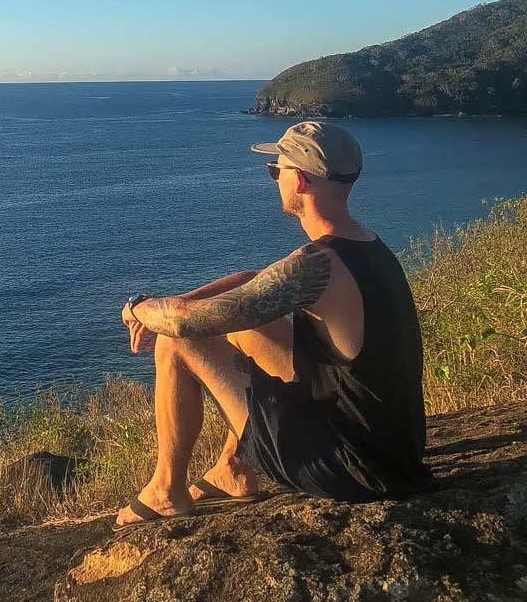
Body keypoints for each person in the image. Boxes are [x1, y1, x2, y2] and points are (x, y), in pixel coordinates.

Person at [115, 121, 430, 528]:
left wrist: (139, 307)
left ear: (299, 180)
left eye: (275, 170)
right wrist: (185, 298)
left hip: (347, 467)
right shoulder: (363, 246)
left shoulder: (314, 266)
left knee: (175, 343)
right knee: (245, 327)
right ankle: (234, 468)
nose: (274, 179)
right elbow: (254, 282)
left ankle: (165, 490)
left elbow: (180, 323)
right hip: (389, 454)